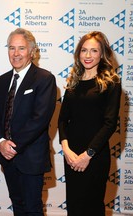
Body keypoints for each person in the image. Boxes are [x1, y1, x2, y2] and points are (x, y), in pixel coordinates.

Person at [0, 28, 57, 215]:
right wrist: (1, 142)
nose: (16, 53)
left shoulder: (44, 79)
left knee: (32, 208)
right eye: (12, 48)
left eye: (21, 48)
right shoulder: (2, 80)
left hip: (30, 157)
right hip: (8, 158)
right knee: (17, 206)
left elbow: (40, 119)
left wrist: (13, 146)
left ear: (32, 51)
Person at [58, 31, 121, 216]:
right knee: (75, 207)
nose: (87, 55)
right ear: (78, 53)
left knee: (92, 207)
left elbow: (110, 124)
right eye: (84, 50)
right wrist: (67, 150)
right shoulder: (73, 83)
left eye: (94, 51)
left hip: (95, 156)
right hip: (71, 156)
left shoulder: (112, 83)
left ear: (102, 54)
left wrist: (88, 155)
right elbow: (62, 120)